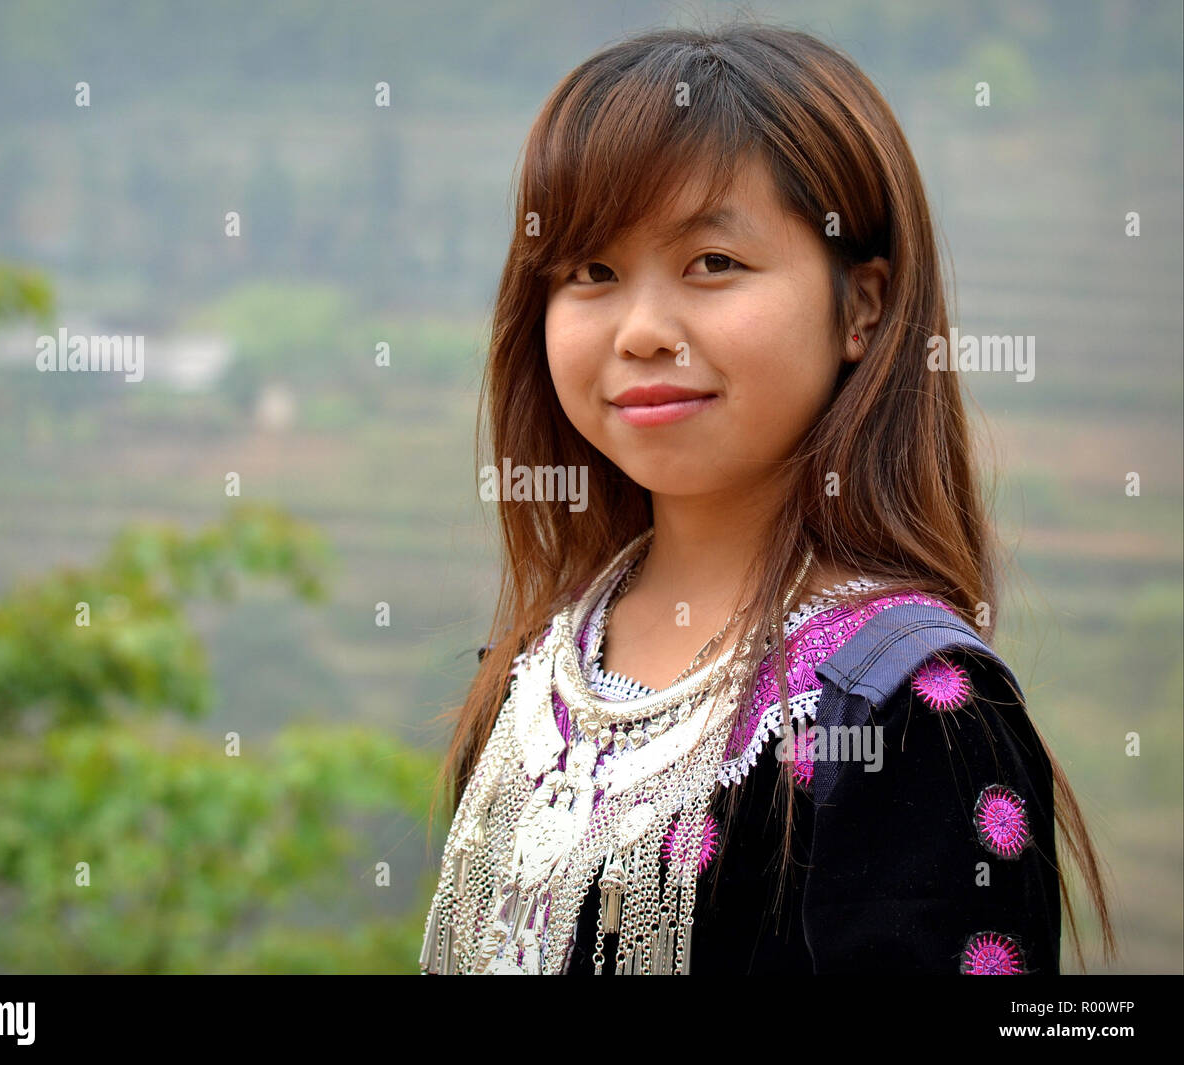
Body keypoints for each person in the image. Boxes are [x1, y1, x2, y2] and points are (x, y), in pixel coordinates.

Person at [421, 20, 1116, 975]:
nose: (642, 329)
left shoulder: (908, 713)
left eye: (713, 264)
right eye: (593, 272)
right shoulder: (534, 681)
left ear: (862, 306)